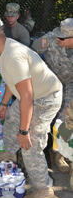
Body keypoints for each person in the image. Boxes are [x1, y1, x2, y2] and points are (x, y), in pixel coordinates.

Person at [0, 14, 63, 198]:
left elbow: (28, 96)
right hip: (29, 96)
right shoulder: (1, 51)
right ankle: (9, 154)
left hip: (45, 98)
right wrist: (5, 103)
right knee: (11, 121)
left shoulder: (13, 55)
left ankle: (43, 189)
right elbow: (11, 80)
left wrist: (24, 131)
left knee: (31, 143)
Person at [32, 19, 73, 175]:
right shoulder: (49, 39)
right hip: (49, 83)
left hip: (70, 84)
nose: (59, 40)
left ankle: (58, 155)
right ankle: (37, 152)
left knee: (65, 120)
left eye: (64, 38)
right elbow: (30, 53)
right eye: (59, 36)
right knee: (43, 117)